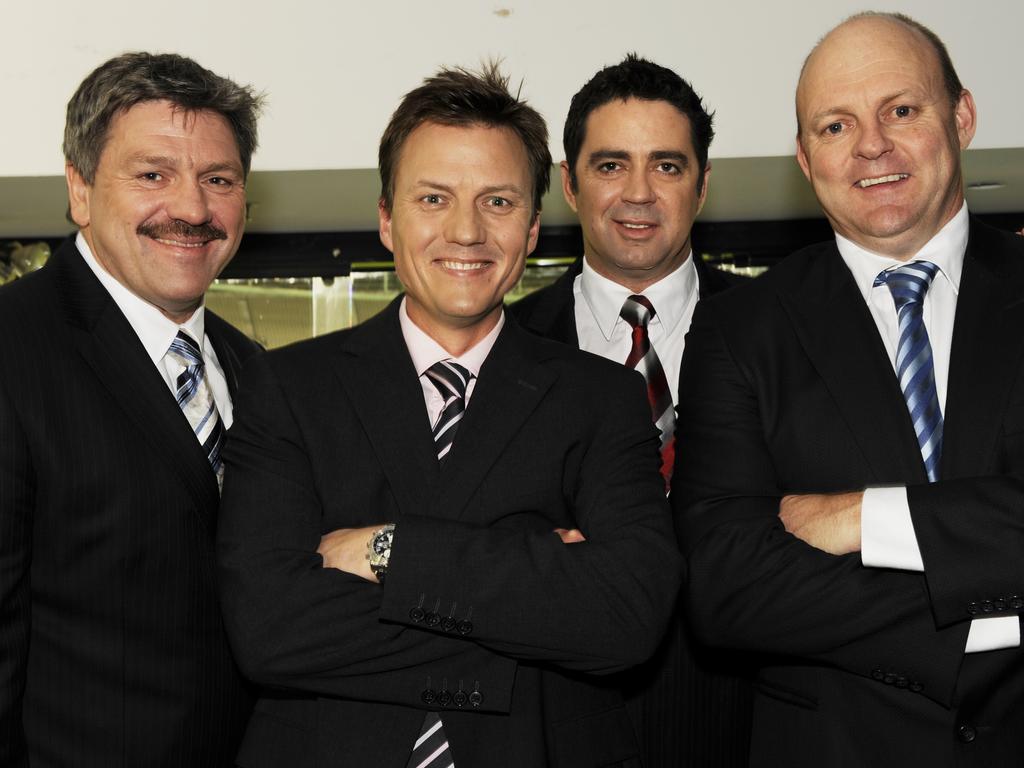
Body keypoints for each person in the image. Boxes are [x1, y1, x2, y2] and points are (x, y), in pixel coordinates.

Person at [216, 63, 681, 767]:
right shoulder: (287, 387)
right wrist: (536, 591)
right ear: (386, 218)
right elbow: (271, 629)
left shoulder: (602, 397)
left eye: (497, 202)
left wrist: (387, 551)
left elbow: (625, 619)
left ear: (530, 229)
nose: (466, 231)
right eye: (434, 198)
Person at [674, 12, 1024, 766]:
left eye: (901, 109)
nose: (872, 145)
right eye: (835, 126)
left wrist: (867, 516)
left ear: (961, 116)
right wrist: (996, 616)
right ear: (804, 157)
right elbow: (726, 587)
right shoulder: (740, 331)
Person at [0, 52, 263, 766]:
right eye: (153, 175)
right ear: (79, 189)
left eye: (219, 180)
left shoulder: (258, 371)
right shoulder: (13, 349)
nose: (192, 209)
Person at [509, 55, 750, 767]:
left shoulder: (778, 332)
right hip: (554, 724)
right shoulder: (505, 345)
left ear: (703, 186)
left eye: (668, 167)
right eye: (611, 165)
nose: (638, 193)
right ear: (569, 184)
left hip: (745, 720)